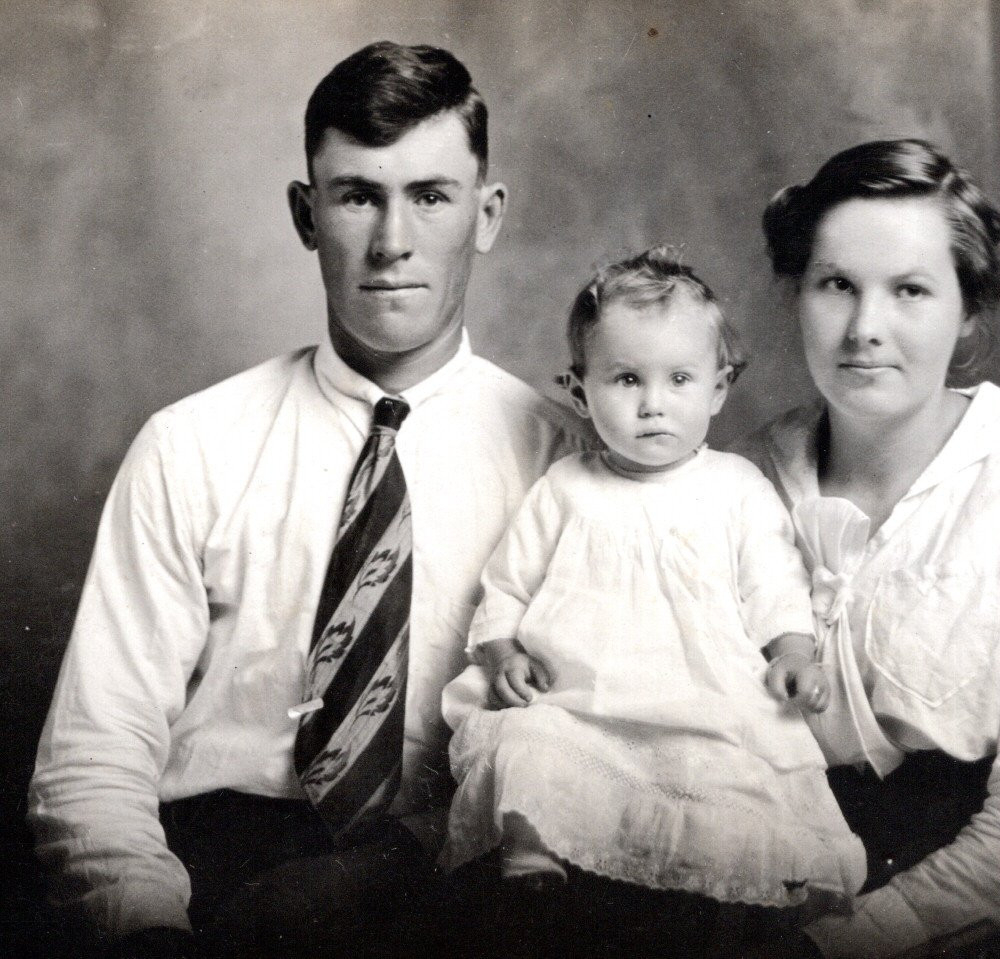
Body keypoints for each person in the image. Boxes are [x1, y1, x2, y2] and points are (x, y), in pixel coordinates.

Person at [27, 41, 585, 959]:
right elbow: (95, 750)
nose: (392, 239)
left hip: (456, 881)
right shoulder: (190, 444)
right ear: (305, 212)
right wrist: (152, 931)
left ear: (487, 215)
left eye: (431, 196)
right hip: (216, 877)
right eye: (358, 194)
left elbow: (602, 747)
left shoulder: (566, 465)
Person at [734, 139, 1000, 958]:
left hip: (967, 920)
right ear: (798, 293)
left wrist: (840, 943)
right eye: (836, 285)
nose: (864, 329)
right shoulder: (746, 476)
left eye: (911, 290)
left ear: (968, 311)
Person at [439, 247, 866, 950]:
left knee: (728, 775)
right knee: (529, 738)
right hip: (582, 698)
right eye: (626, 379)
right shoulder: (565, 487)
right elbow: (507, 584)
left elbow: (773, 582)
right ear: (580, 392)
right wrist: (503, 646)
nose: (653, 403)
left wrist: (792, 648)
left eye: (678, 379)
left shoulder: (735, 486)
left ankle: (723, 892)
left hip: (698, 698)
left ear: (719, 388)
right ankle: (537, 850)